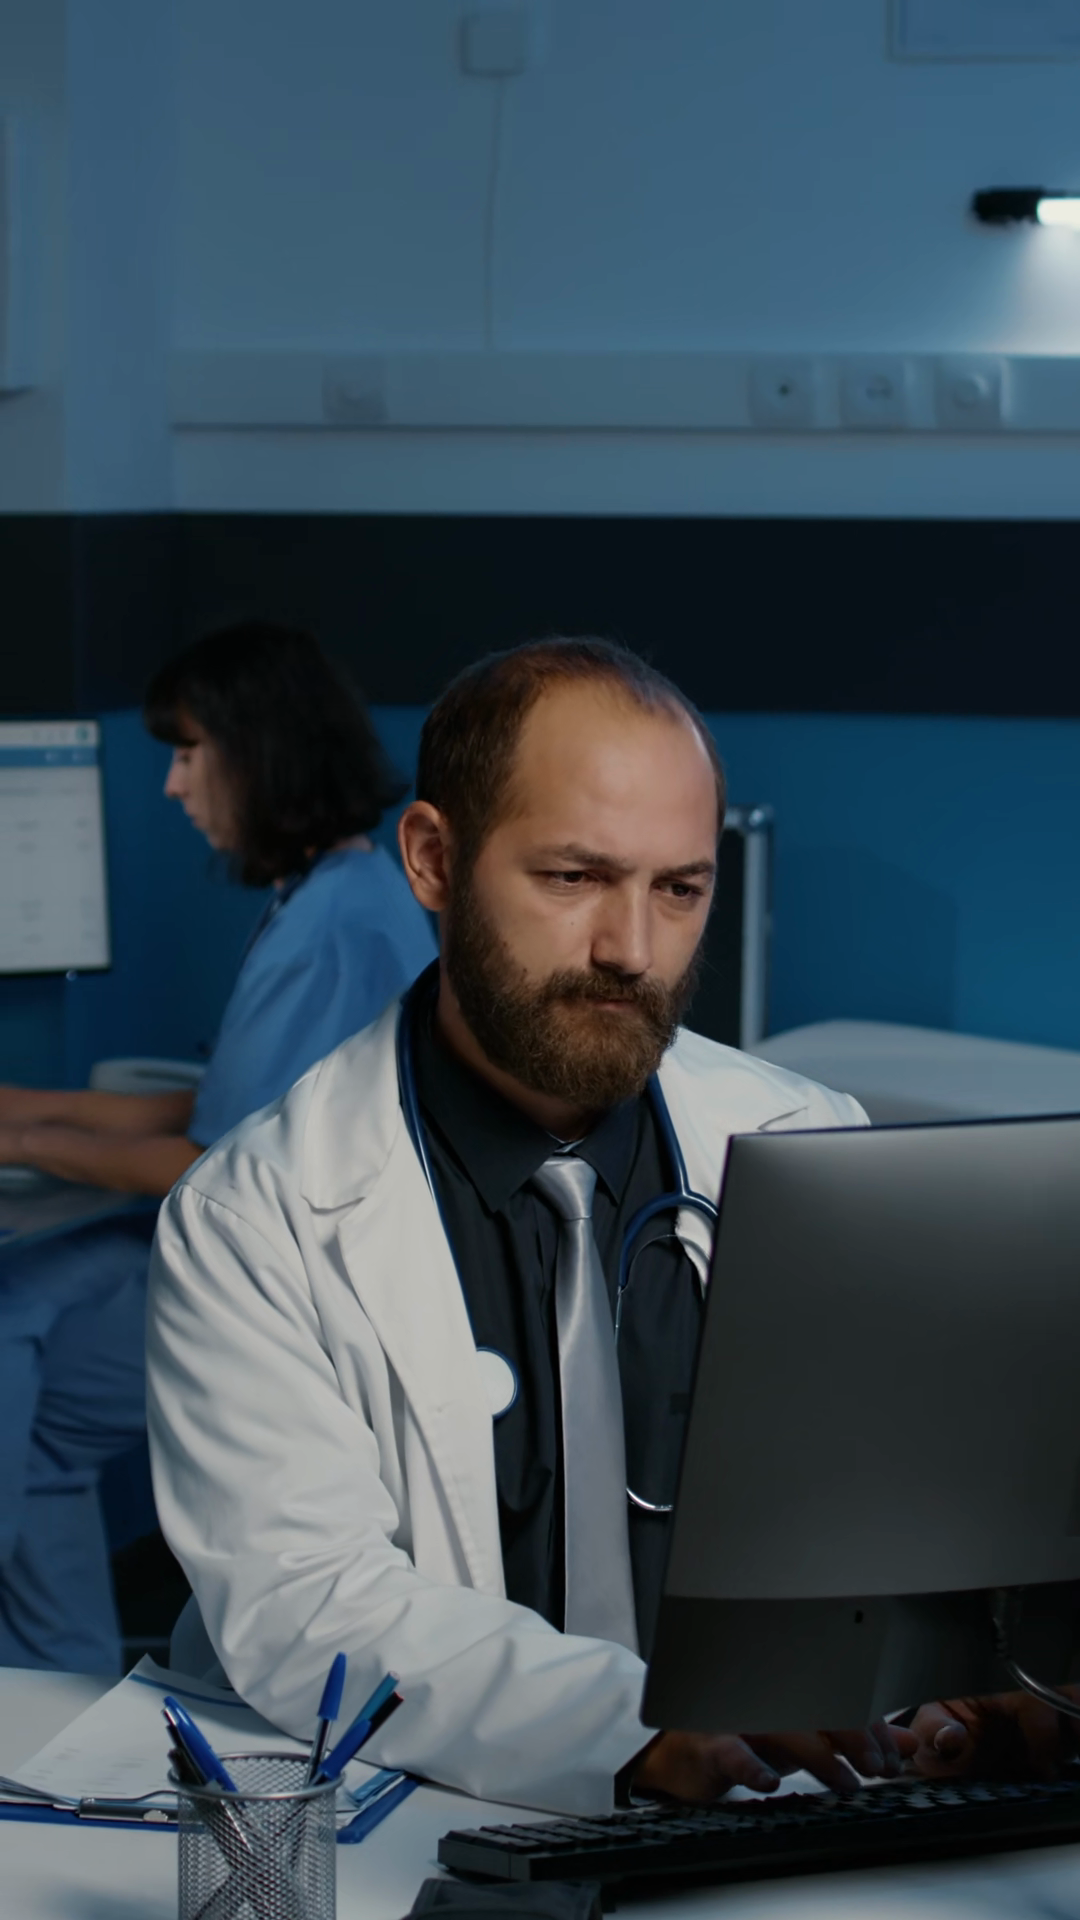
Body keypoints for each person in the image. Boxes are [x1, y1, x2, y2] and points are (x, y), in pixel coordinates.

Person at [148, 636, 926, 1814]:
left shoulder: (810, 1145)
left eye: (679, 889)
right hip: (427, 1818)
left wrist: (970, 1683)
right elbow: (312, 1604)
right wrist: (635, 1729)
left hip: (767, 1820)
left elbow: (896, 1522)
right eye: (573, 878)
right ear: (433, 859)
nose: (632, 951)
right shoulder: (254, 1220)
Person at [0, 621, 436, 1672]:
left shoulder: (335, 928)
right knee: (31, 1351)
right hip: (258, 1232)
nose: (172, 784)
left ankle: (46, 1675)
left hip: (287, 1276)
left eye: (190, 753)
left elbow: (211, 1165)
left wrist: (22, 1135)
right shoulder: (338, 894)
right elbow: (237, 1104)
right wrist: (26, 1110)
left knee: (14, 1328)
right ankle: (57, 1677)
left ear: (260, 751)